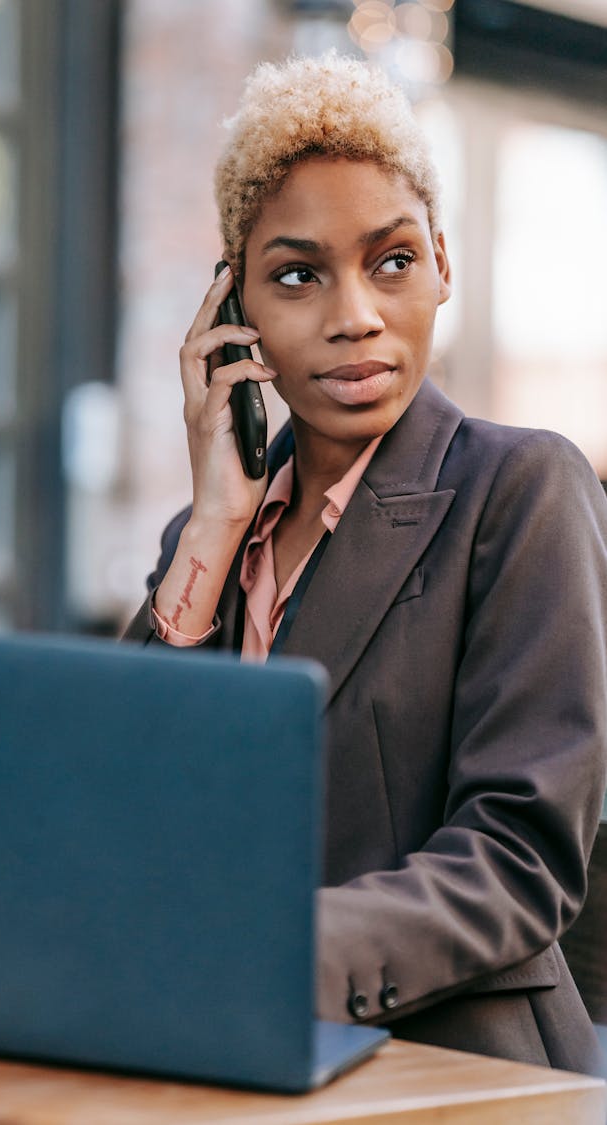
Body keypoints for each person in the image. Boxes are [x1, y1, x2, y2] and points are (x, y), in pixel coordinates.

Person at [123, 52, 607, 1077]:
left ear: (440, 262)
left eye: (391, 261)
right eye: (298, 275)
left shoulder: (520, 492)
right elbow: (128, 816)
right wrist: (214, 523)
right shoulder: (202, 543)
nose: (355, 315)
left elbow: (520, 858)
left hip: (454, 1070)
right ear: (232, 308)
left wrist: (262, 954)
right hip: (221, 1058)